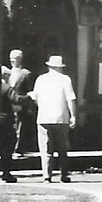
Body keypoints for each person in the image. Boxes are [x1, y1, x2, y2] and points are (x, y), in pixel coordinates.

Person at [31, 54, 77, 183]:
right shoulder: (65, 79)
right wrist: (73, 115)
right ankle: (63, 175)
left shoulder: (41, 79)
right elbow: (71, 99)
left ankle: (47, 175)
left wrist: (42, 107)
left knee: (45, 148)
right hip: (61, 118)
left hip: (44, 117)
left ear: (49, 66)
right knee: (62, 148)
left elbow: (35, 98)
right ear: (61, 67)